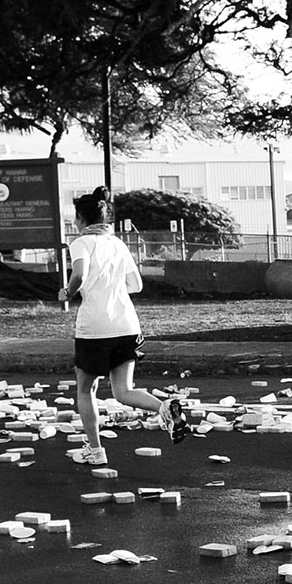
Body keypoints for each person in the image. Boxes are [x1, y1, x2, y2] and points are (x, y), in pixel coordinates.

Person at [57, 187, 191, 464]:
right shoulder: (118, 244)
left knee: (85, 390)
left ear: (81, 219)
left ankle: (95, 451)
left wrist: (68, 293)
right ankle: (165, 407)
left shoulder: (81, 243)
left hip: (95, 327)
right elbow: (136, 285)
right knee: (123, 391)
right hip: (127, 324)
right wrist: (111, 288)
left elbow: (79, 274)